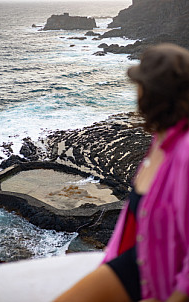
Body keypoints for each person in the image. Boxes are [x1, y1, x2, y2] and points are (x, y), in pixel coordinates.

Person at [53, 43, 189, 302]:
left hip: (160, 275)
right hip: (139, 261)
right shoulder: (159, 139)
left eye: (140, 85)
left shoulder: (184, 152)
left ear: (154, 93)